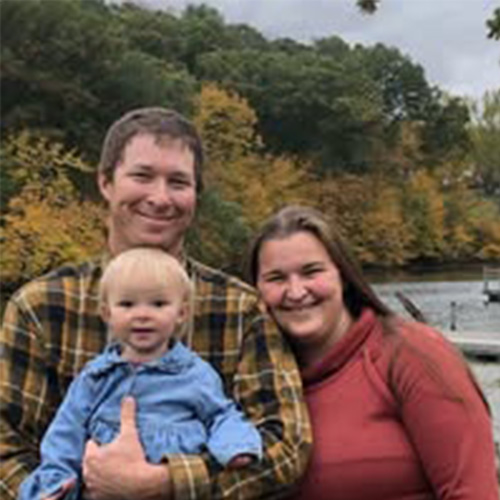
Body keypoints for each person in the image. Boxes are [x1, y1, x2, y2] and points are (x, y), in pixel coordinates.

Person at [0, 108, 312, 500]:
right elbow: (6, 446)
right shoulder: (40, 307)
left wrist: (164, 484)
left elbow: (285, 447)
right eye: (142, 176)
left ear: (196, 195)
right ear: (105, 182)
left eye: (178, 182)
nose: (160, 198)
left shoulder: (240, 309)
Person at [246, 205, 499, 500]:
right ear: (256, 290)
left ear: (343, 275)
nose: (296, 291)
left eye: (311, 272)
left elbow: (472, 490)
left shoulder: (411, 353)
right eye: (276, 278)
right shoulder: (254, 379)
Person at [19, 248, 263, 500]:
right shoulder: (95, 377)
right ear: (107, 313)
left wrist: (235, 447)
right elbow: (65, 433)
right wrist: (54, 484)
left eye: (158, 304)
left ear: (181, 313)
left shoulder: (195, 375)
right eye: (127, 304)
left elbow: (221, 415)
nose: (142, 315)